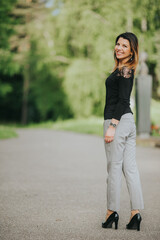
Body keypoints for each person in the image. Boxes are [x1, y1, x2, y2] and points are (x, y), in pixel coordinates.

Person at [102, 32, 144, 231]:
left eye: (124, 46)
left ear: (132, 51)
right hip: (128, 122)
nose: (119, 48)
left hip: (117, 121)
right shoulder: (123, 69)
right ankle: (136, 214)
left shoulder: (125, 70)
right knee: (130, 168)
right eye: (117, 44)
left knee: (114, 168)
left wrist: (112, 126)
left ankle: (111, 212)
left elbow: (123, 101)